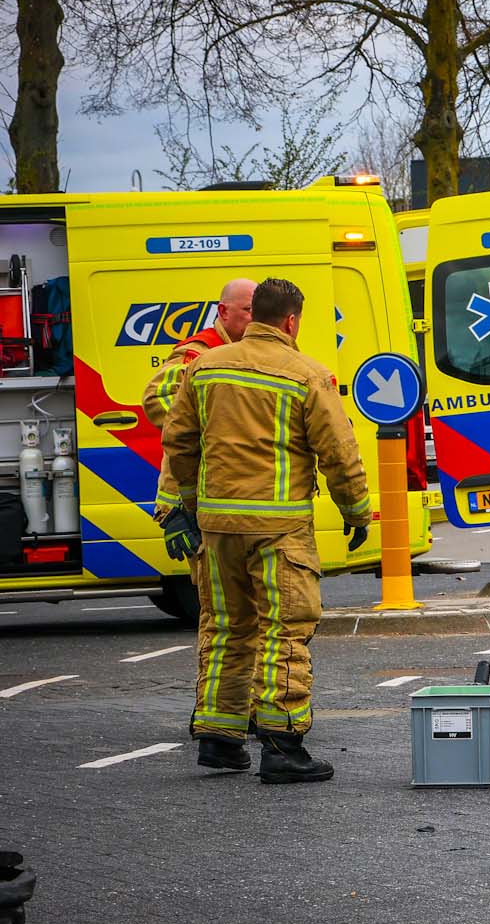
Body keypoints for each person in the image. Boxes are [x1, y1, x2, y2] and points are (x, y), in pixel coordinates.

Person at [161, 277, 373, 782]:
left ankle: (218, 738)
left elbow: (179, 441)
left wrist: (184, 505)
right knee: (284, 632)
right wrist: (356, 510)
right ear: (292, 320)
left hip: (216, 527)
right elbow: (338, 453)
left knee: (225, 628)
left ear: (251, 313)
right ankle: (281, 747)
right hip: (278, 531)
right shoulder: (307, 374)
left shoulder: (204, 368)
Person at [144, 278, 255, 691]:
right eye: (246, 310)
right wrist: (217, 423)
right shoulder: (198, 352)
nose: (254, 317)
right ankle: (217, 708)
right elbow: (157, 400)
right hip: (204, 508)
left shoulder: (254, 351)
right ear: (223, 312)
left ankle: (237, 706)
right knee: (221, 620)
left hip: (239, 505)